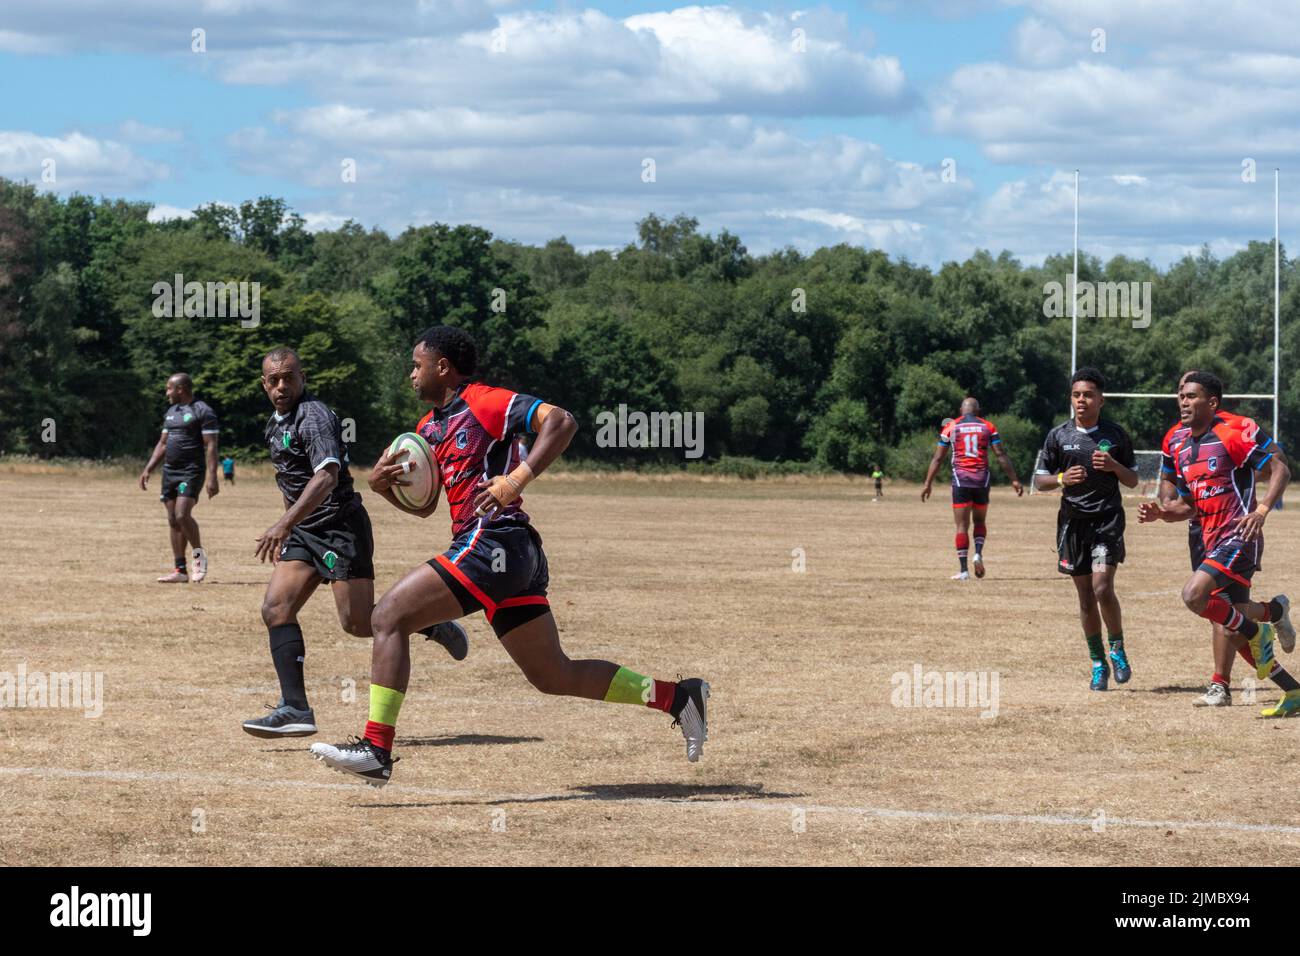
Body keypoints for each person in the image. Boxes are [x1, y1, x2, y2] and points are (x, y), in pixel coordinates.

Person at [310, 325, 710, 787]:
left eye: (417, 365)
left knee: (387, 617)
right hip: (502, 551)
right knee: (552, 674)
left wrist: (515, 479)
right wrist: (384, 488)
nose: (411, 375)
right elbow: (426, 507)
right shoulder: (428, 428)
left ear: (443, 367)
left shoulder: (484, 401)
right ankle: (679, 697)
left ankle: (376, 749)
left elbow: (561, 421)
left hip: (496, 540)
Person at [241, 347, 467, 739]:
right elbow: (289, 481)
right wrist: (291, 530)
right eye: (273, 380)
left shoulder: (314, 417)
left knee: (360, 623)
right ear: (264, 384)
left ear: (302, 378)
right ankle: (295, 708)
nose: (281, 385)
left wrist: (282, 524)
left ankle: (431, 625)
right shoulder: (274, 424)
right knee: (276, 608)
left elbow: (326, 477)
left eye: (289, 377)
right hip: (306, 533)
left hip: (341, 529)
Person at [1138, 371, 1300, 717]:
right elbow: (1189, 506)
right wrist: (1162, 514)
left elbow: (1280, 469)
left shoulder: (1231, 434)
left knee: (1195, 595)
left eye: (1191, 395)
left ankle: (1258, 631)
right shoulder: (1180, 445)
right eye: (1181, 395)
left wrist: (1261, 510)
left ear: (1211, 403)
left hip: (1239, 536)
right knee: (1231, 620)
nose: (1183, 401)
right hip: (1209, 540)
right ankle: (1292, 686)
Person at [1033, 368, 1137, 690]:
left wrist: (1114, 466)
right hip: (1073, 523)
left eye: (1088, 394)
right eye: (1077, 394)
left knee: (1102, 587)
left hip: (1106, 519)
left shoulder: (1116, 435)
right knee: (1084, 596)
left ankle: (1117, 649)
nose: (1082, 400)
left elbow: (1133, 479)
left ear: (1100, 400)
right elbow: (1039, 480)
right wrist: (1063, 478)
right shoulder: (1059, 436)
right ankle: (1097, 662)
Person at [921, 397, 1023, 580]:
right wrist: (1014, 480)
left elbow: (938, 458)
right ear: (978, 410)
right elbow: (1000, 455)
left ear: (962, 409)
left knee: (962, 526)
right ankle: (978, 554)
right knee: (980, 522)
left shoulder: (951, 427)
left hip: (961, 481)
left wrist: (928, 483)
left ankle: (964, 571)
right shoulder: (988, 427)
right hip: (982, 480)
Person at [138, 373, 219, 583]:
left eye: (169, 389)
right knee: (173, 520)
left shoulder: (203, 411)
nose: (167, 393)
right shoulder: (171, 411)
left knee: (183, 514)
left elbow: (211, 445)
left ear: (180, 389)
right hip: (170, 471)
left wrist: (212, 477)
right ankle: (180, 571)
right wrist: (148, 468)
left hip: (191, 470)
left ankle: (199, 558)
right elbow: (163, 443)